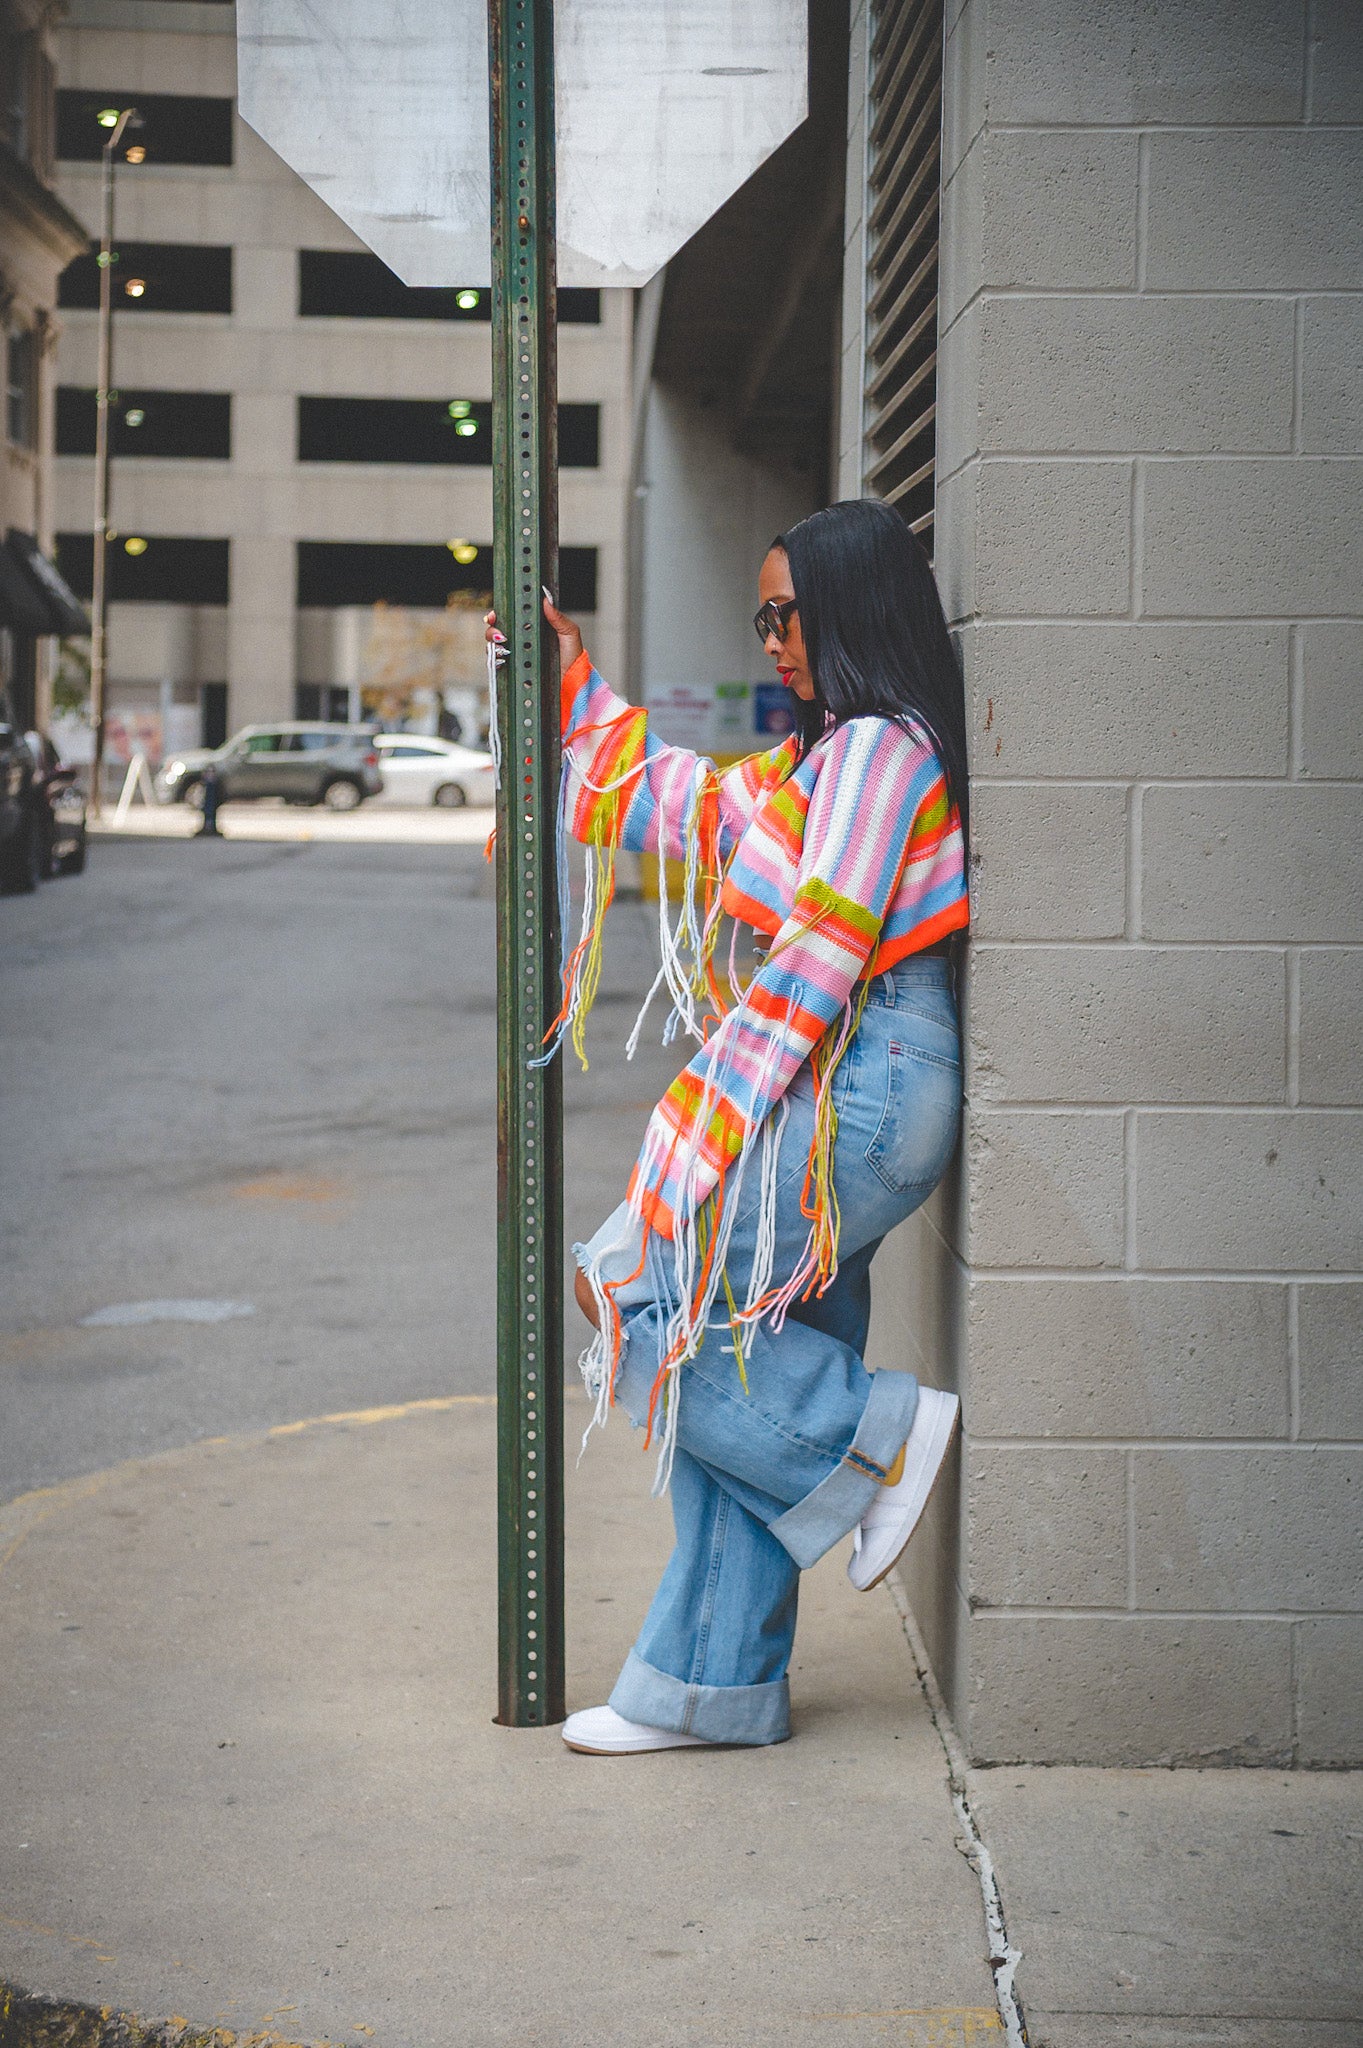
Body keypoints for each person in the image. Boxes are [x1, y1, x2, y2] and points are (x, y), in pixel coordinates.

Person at [486, 497, 969, 1754]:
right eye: (759, 615)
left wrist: (707, 1116)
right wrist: (562, 681)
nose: (771, 638)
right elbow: (679, 801)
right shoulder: (826, 760)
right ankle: (707, 1686)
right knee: (735, 1359)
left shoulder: (878, 751)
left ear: (852, 604)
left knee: (637, 1282)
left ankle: (871, 1432)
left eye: (786, 612)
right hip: (850, 1077)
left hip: (859, 1082)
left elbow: (822, 942)